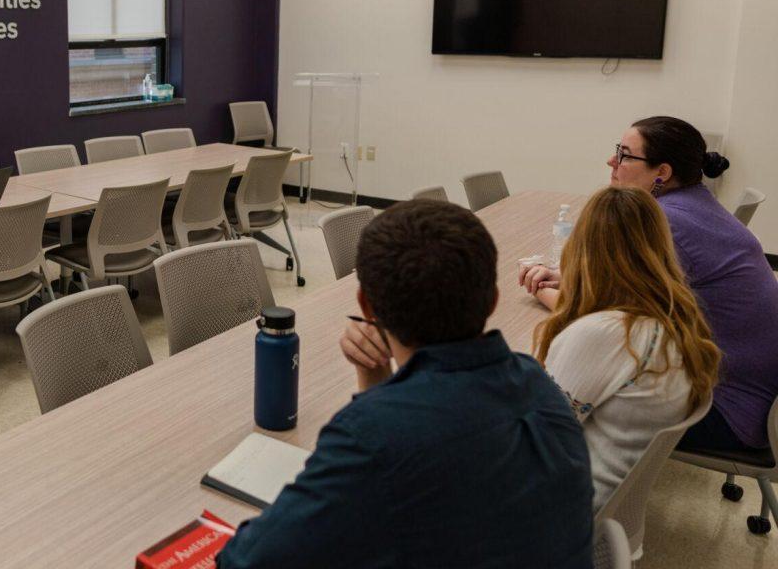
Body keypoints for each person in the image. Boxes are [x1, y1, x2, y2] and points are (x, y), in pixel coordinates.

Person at [216, 200, 593, 569]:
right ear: (493, 301)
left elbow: (247, 560)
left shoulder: (373, 436)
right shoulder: (539, 382)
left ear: (366, 307)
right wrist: (374, 377)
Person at [522, 116, 778, 455]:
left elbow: (605, 325)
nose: (612, 162)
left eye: (625, 155)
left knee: (556, 402)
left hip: (726, 411)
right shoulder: (695, 204)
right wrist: (571, 281)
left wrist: (540, 288)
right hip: (752, 395)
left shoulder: (667, 223)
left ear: (663, 173)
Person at [529, 186, 721, 510]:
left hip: (561, 511)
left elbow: (535, 439)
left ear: (581, 251)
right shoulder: (674, 316)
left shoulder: (603, 335)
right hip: (607, 498)